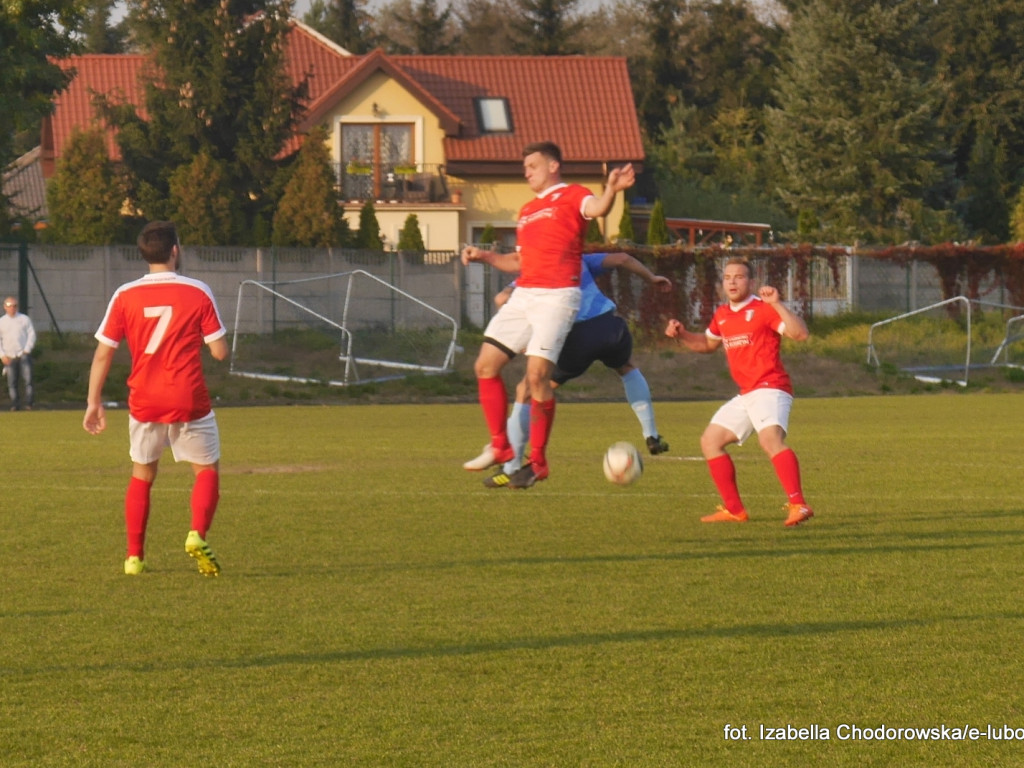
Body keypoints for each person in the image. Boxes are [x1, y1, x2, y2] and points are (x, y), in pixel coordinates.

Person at [461, 141, 635, 489]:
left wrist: (611, 191)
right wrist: (485, 256)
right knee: (485, 365)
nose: (526, 172)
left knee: (537, 377)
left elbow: (598, 208)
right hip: (525, 293)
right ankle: (500, 446)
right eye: (525, 167)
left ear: (553, 166)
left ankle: (538, 462)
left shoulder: (574, 195)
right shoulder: (527, 211)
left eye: (532, 166)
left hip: (557, 297)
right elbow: (519, 261)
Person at [83, 221, 229, 575]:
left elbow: (103, 353)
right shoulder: (198, 291)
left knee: (143, 473)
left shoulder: (125, 295)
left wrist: (93, 402)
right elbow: (219, 352)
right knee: (205, 470)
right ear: (175, 250)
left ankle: (134, 557)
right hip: (188, 396)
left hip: (145, 398)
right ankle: (196, 534)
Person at [464, 251, 673, 486]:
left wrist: (522, 330)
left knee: (527, 390)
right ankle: (652, 435)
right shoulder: (578, 258)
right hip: (610, 327)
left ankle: (511, 467)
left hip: (578, 336)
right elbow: (622, 258)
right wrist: (651, 277)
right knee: (626, 367)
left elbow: (502, 298)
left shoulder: (536, 271)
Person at [664, 256, 814, 526]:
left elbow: (800, 334)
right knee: (710, 441)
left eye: (739, 277)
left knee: (770, 441)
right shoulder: (722, 315)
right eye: (727, 277)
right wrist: (682, 334)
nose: (732, 282)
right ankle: (734, 510)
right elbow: (707, 344)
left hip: (770, 387)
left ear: (752, 282)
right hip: (747, 392)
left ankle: (798, 504)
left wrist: (777, 304)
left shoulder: (763, 309)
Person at [0, 296, 36, 411]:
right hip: (9, 356)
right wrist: (2, 355)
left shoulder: (24, 319)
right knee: (12, 383)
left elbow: (31, 335)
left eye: (15, 306)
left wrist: (27, 350)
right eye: (10, 306)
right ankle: (15, 405)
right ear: (5, 307)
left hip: (23, 354)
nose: (12, 308)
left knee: (28, 380)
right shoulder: (2, 322)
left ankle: (29, 404)